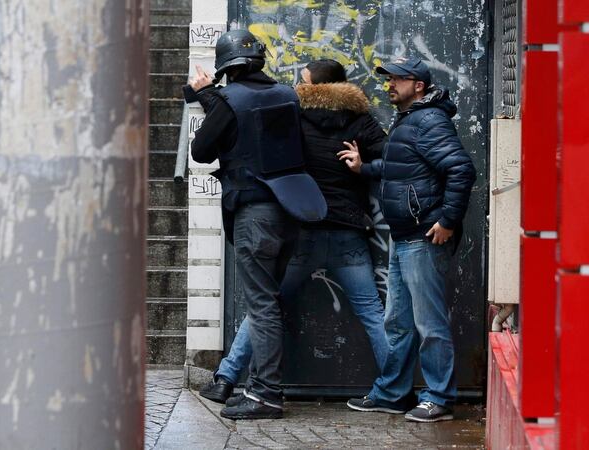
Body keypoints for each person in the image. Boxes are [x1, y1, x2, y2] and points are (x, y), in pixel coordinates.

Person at [199, 59, 389, 405]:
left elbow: (242, 126)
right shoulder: (361, 121)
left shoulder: (294, 118)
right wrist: (364, 167)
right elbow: (395, 160)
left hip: (305, 230)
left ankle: (226, 378)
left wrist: (207, 95)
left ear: (313, 86)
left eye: (302, 80)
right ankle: (395, 388)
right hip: (349, 234)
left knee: (264, 306)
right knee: (373, 314)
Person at [188, 30, 327, 420]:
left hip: (254, 213)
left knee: (262, 305)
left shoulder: (228, 99)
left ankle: (265, 394)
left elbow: (201, 151)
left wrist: (209, 96)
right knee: (269, 301)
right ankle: (257, 388)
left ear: (226, 67)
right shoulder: (287, 94)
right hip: (289, 210)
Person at [339, 57, 476, 422]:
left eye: (397, 79)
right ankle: (392, 393)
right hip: (405, 237)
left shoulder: (429, 120)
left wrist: (447, 220)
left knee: (428, 324)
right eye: (389, 79)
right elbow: (401, 167)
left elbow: (461, 168)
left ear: (418, 85)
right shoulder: (410, 120)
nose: (389, 85)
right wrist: (363, 168)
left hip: (424, 237)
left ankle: (439, 398)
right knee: (397, 322)